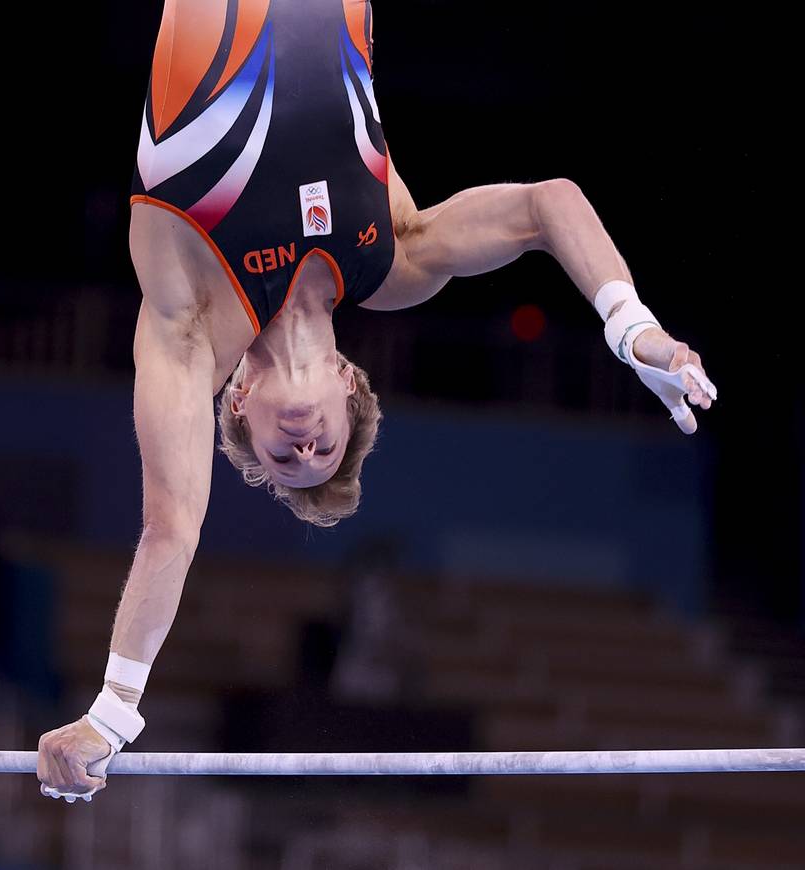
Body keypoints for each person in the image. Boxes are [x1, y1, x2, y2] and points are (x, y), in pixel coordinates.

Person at [36, 0, 716, 801]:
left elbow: (171, 530)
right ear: (350, 383)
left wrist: (112, 715)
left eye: (283, 455)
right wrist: (633, 330)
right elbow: (546, 204)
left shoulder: (189, 329)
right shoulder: (393, 257)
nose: (302, 443)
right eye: (320, 448)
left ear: (238, 402)